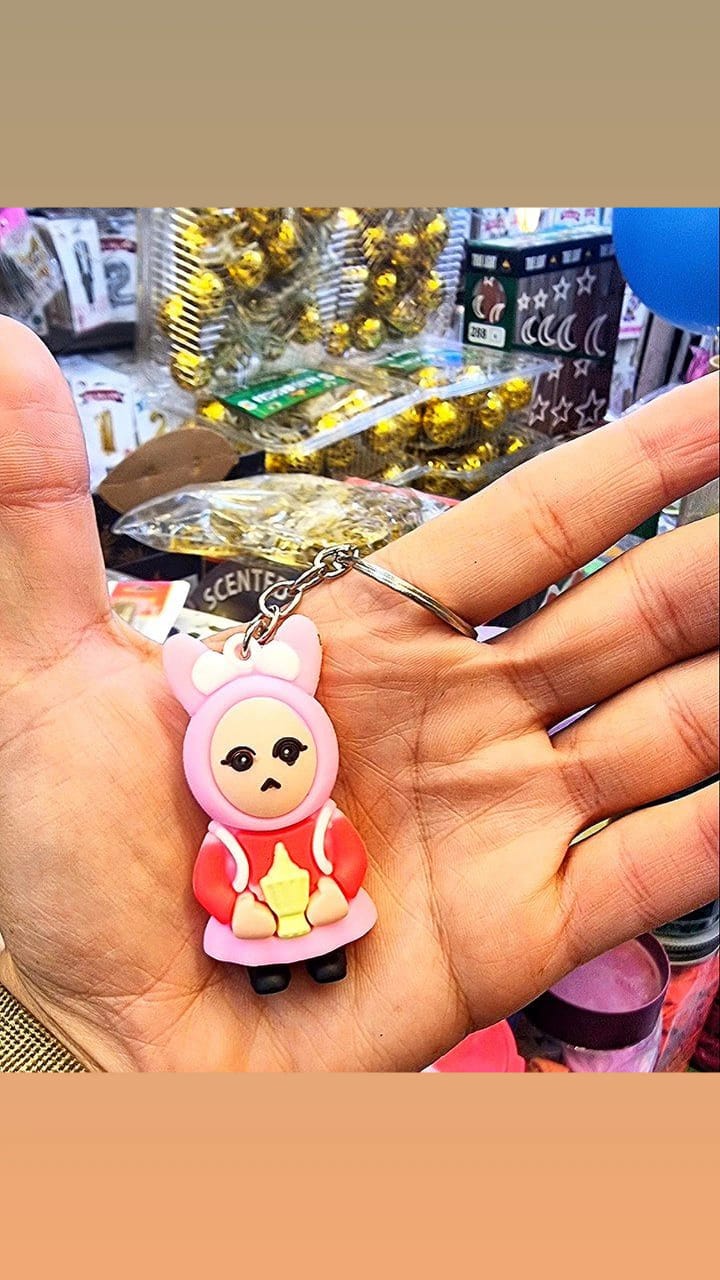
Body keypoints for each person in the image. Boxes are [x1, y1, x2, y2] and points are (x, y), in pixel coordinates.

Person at [0, 316, 717, 1072]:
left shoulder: (321, 816)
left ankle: (319, 953)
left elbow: (341, 856)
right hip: (251, 929)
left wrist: (331, 890)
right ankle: (274, 963)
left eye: (285, 752)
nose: (268, 772)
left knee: (331, 936)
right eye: (241, 761)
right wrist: (102, 1022)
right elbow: (213, 878)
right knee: (263, 952)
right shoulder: (225, 836)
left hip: (327, 915)